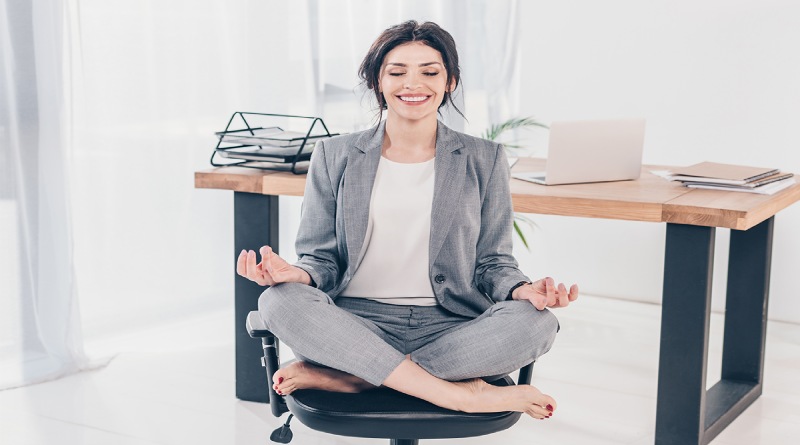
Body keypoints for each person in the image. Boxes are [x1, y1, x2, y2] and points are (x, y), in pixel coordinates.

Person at [236, 20, 578, 420]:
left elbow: (492, 262)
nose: (412, 84)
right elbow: (320, 259)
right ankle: (461, 394)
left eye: (430, 72)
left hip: (451, 326)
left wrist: (522, 291)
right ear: (377, 82)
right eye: (397, 72)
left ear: (450, 81)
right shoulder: (334, 155)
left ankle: (356, 376)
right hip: (356, 322)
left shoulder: (484, 158)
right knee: (278, 300)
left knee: (535, 323)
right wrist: (296, 276)